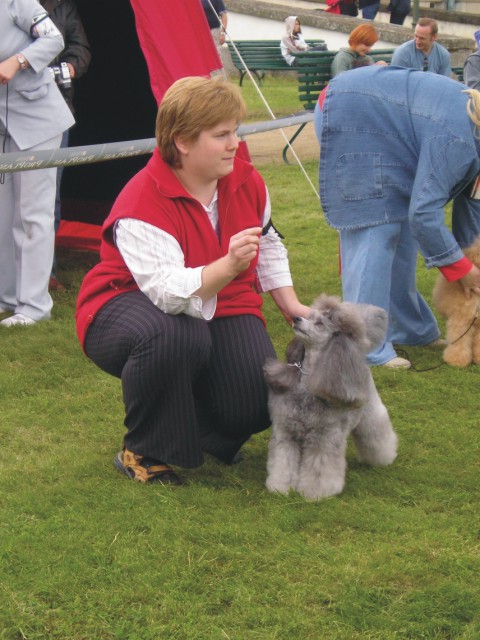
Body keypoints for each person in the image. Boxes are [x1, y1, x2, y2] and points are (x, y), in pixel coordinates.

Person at [75, 76, 311, 486]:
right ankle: (143, 450)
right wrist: (229, 265)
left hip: (217, 300)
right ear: (182, 141)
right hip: (125, 305)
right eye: (221, 135)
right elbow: (167, 293)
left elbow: (267, 242)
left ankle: (189, 426)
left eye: (235, 131)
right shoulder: (140, 202)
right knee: (178, 336)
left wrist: (291, 306)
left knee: (257, 402)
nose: (235, 143)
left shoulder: (248, 180)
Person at [314, 65, 480, 369]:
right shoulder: (459, 141)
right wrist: (459, 268)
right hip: (349, 113)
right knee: (377, 228)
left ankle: (411, 329)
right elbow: (425, 213)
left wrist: (472, 263)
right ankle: (365, 343)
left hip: (386, 125)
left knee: (402, 231)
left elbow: (472, 211)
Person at [0, 0, 75, 327]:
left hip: (39, 122)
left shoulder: (17, 2)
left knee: (33, 216)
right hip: (4, 127)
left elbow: (55, 39)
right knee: (4, 219)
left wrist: (19, 61)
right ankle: (7, 300)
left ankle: (33, 307)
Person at [40, 0, 91, 291]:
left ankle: (46, 271)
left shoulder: (64, 6)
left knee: (49, 198)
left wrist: (70, 67)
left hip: (55, 111)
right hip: (8, 112)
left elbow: (80, 47)